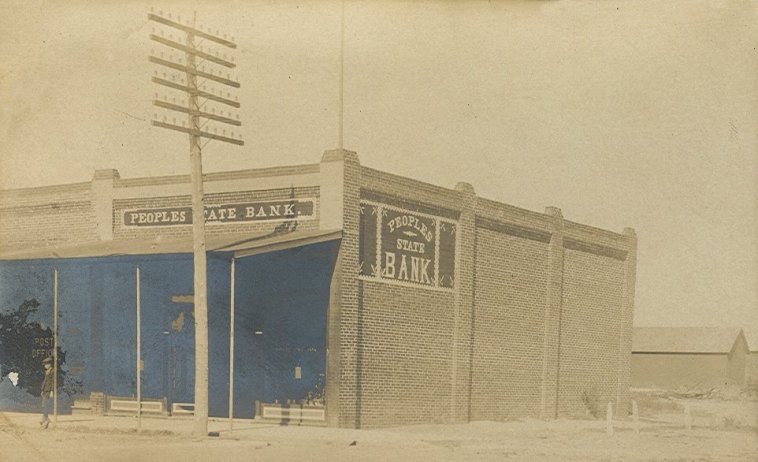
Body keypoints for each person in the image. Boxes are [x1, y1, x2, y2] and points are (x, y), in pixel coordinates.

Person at [39, 356, 54, 429]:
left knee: (45, 405)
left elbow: (53, 382)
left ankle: (45, 420)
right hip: (45, 390)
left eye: (46, 365)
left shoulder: (53, 371)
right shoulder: (47, 371)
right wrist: (42, 390)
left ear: (49, 364)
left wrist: (52, 391)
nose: (45, 366)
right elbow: (44, 382)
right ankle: (45, 419)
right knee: (44, 405)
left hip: (48, 390)